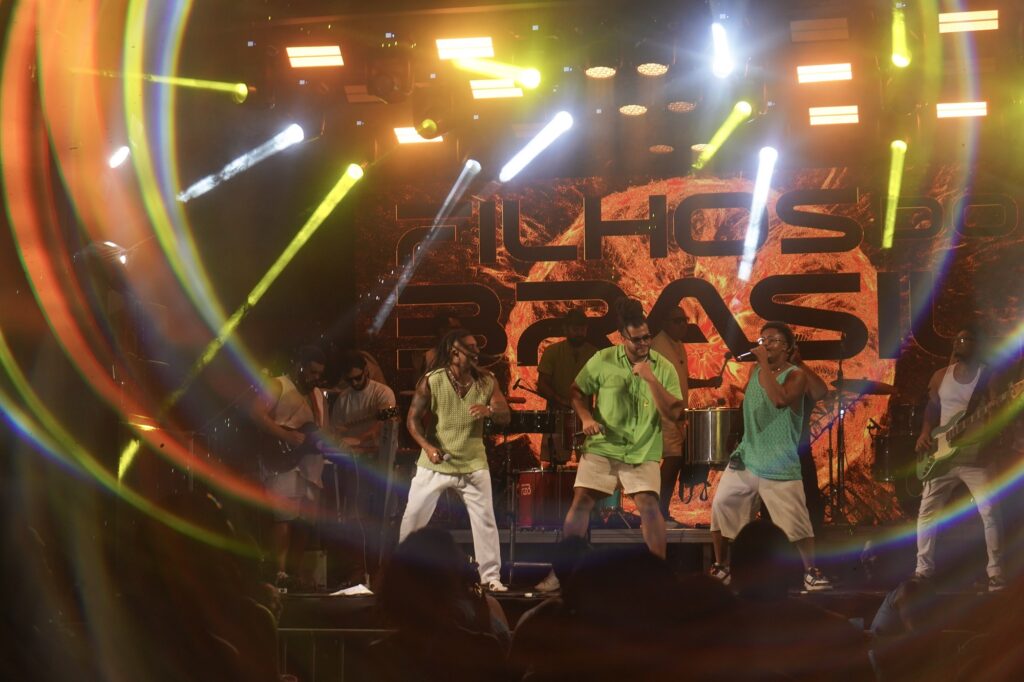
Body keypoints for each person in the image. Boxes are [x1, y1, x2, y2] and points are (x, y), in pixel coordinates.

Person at [709, 321, 832, 591]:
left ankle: (811, 572)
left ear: (787, 348)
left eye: (773, 340)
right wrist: (736, 434)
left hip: (779, 461)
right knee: (722, 506)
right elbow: (749, 405)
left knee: (796, 522)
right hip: (748, 457)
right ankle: (722, 566)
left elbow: (779, 400)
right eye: (763, 340)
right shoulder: (755, 371)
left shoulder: (795, 375)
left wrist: (763, 363)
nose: (765, 344)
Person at [399, 328, 512, 592]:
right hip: (435, 463)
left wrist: (490, 410)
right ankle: (401, 571)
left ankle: (490, 578)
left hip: (473, 463)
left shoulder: (487, 381)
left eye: (476, 346)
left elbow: (505, 415)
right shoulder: (432, 380)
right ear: (454, 353)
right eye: (470, 347)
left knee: (485, 521)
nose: (476, 351)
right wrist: (428, 447)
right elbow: (412, 420)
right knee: (413, 517)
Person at [914, 326, 1004, 590]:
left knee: (990, 511)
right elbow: (932, 408)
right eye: (957, 339)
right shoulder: (940, 376)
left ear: (977, 344)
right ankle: (922, 571)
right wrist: (925, 433)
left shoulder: (988, 376)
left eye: (965, 339)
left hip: (976, 456)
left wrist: (992, 420)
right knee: (927, 512)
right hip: (941, 456)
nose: (958, 342)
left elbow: (996, 412)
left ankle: (995, 571)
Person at [250, 345, 328, 588]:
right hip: (281, 458)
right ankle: (280, 572)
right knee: (283, 516)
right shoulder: (278, 384)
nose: (315, 377)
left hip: (309, 462)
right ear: (300, 367)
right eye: (312, 372)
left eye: (319, 374)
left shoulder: (318, 395)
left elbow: (321, 430)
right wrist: (285, 435)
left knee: (305, 519)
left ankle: (294, 572)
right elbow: (257, 413)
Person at [328, 349, 398, 583]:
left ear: (367, 371)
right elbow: (335, 431)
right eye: (350, 380)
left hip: (379, 463)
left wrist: (360, 439)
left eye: (358, 377)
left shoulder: (384, 392)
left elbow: (387, 422)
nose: (355, 383)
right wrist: (343, 442)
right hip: (355, 465)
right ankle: (358, 569)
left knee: (382, 517)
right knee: (355, 517)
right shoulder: (343, 400)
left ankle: (382, 570)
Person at [650, 305, 723, 526]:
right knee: (673, 459)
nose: (683, 325)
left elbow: (681, 381)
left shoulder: (677, 345)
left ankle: (660, 511)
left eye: (685, 320)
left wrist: (707, 382)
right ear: (665, 323)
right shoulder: (658, 348)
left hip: (674, 414)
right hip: (662, 413)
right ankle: (657, 512)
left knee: (674, 459)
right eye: (677, 321)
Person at [536, 307, 599, 465]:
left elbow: (602, 387)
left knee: (590, 464)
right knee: (556, 465)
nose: (579, 333)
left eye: (582, 329)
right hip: (557, 415)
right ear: (565, 329)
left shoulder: (594, 354)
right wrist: (561, 400)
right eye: (575, 329)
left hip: (586, 417)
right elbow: (542, 385)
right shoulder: (552, 351)